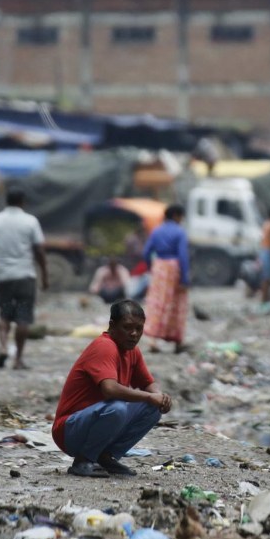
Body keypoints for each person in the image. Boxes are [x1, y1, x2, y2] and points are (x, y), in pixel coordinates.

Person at [52, 300, 172, 478]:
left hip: (94, 421)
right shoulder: (104, 346)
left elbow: (148, 384)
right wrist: (149, 397)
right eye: (127, 327)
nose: (134, 334)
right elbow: (110, 389)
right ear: (112, 326)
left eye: (139, 329)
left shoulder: (132, 351)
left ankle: (105, 457)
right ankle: (83, 460)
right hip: (68, 431)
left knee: (152, 409)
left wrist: (161, 398)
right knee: (117, 408)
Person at [0, 190, 49, 370]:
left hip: (3, 275)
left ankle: (3, 347)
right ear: (22, 201)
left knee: (4, 314)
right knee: (23, 318)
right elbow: (39, 251)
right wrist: (44, 275)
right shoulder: (30, 221)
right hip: (25, 275)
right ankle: (18, 359)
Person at [142, 204, 190, 354]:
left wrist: (152, 267)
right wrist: (185, 278)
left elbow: (146, 252)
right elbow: (183, 256)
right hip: (173, 268)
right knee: (177, 304)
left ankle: (153, 341)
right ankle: (177, 341)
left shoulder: (156, 231)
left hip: (159, 267)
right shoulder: (179, 232)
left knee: (157, 302)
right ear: (176, 215)